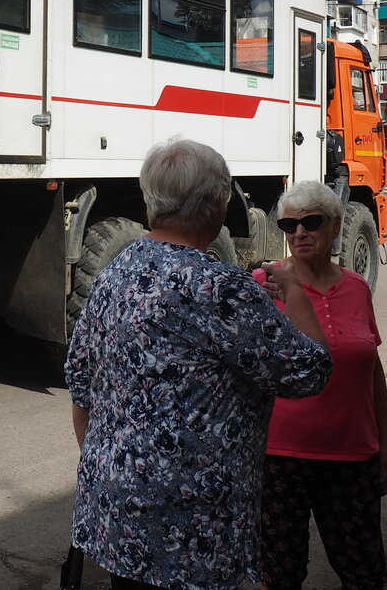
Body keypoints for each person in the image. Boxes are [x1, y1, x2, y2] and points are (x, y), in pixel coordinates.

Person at [65, 139, 333, 590]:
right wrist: (294, 292)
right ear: (214, 204)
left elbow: (79, 381)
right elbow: (310, 370)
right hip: (191, 533)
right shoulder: (219, 287)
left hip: (115, 512)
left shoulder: (118, 268)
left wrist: (115, 472)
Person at [255, 180, 387, 590]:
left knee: (363, 572)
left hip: (352, 457)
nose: (299, 233)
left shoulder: (355, 288)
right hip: (281, 459)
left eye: (311, 222)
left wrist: (385, 449)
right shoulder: (266, 286)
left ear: (336, 226)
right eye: (289, 225)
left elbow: (372, 371)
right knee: (279, 575)